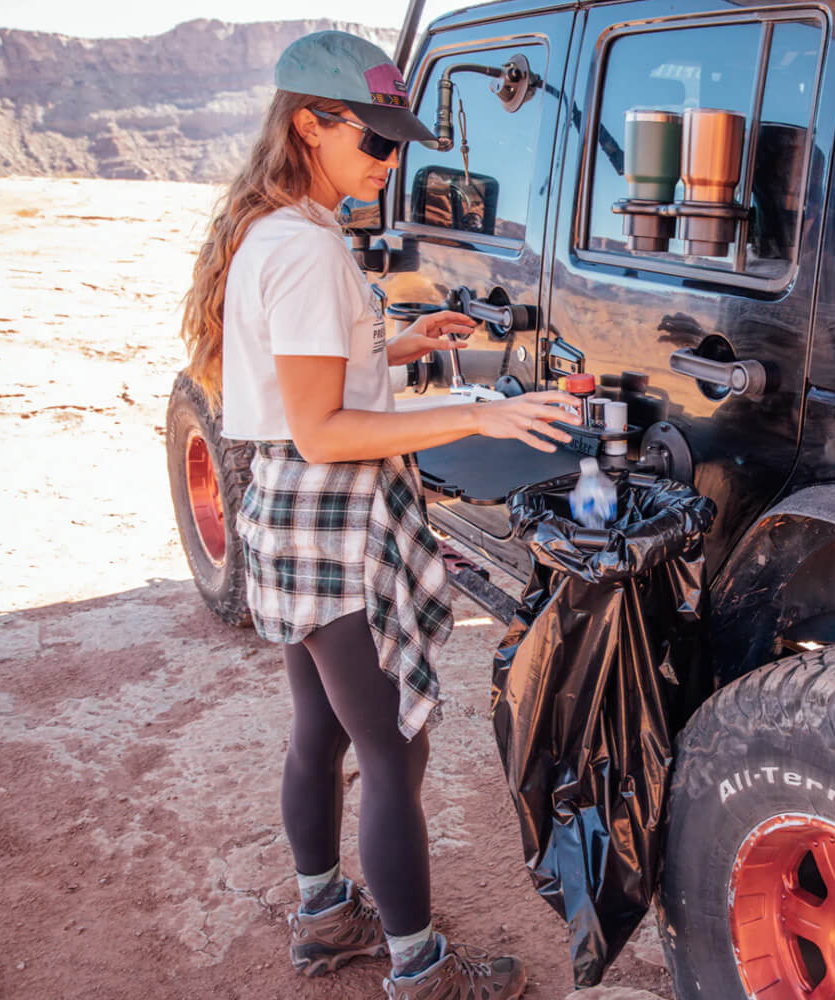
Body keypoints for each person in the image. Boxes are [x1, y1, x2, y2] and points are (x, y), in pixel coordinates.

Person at [179, 29, 581, 1000]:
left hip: (287, 513)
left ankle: (324, 917)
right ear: (309, 125)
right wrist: (484, 410)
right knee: (393, 751)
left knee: (317, 727)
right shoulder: (307, 248)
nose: (390, 160)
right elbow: (323, 428)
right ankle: (419, 969)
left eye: (398, 142)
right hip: (333, 520)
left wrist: (400, 344)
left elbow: (302, 382)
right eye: (375, 140)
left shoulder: (277, 229)